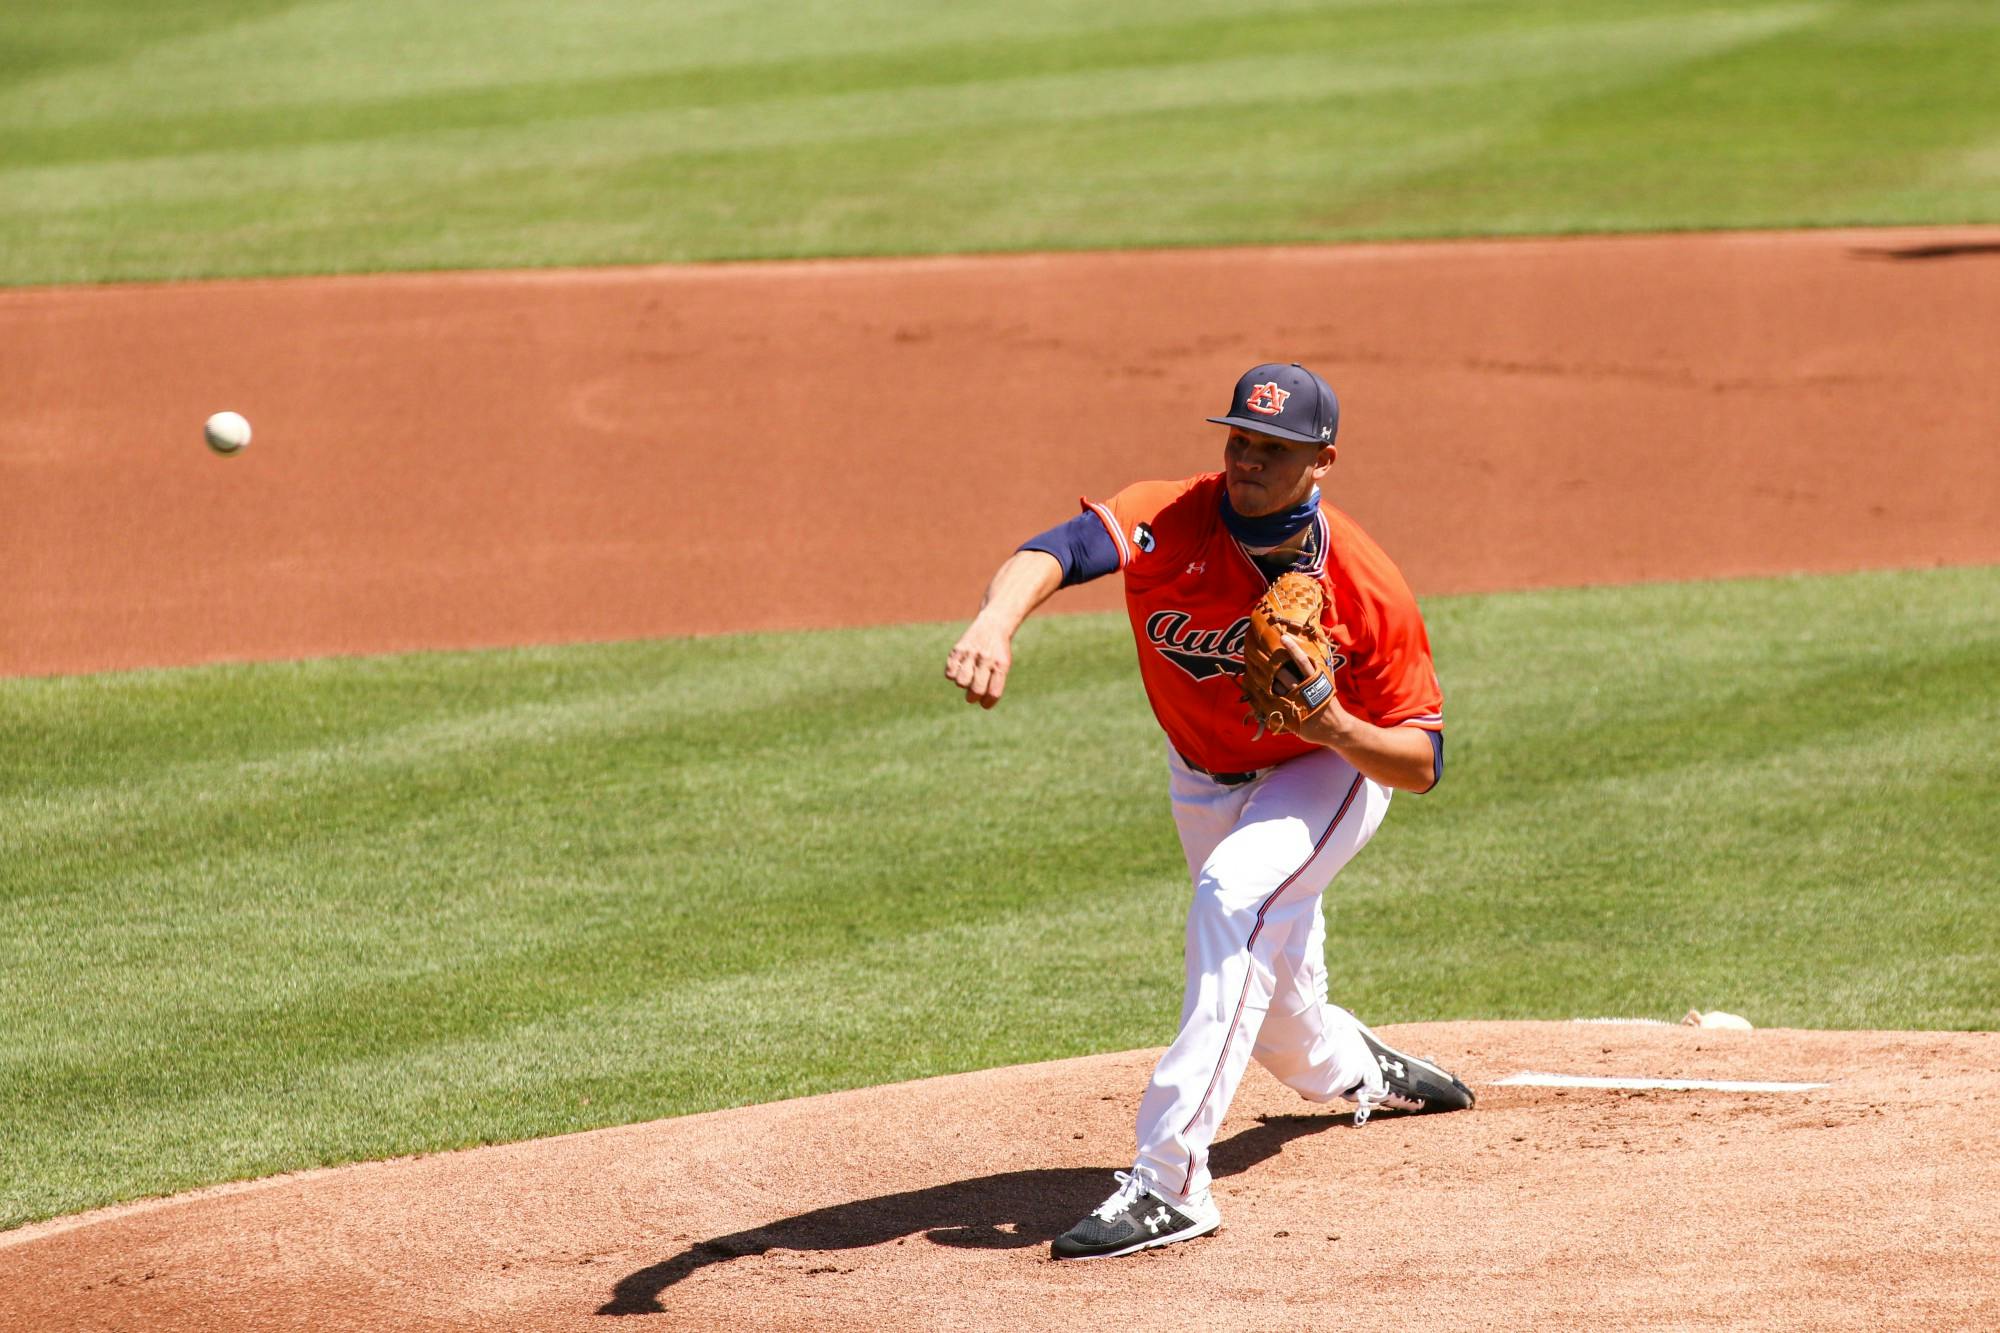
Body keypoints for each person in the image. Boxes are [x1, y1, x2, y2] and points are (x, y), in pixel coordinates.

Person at [944, 362, 1474, 1261]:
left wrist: (1338, 724)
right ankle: (1357, 1069)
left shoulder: (1362, 579)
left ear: (1323, 459)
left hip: (1324, 771)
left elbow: (1424, 760)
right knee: (1277, 1016)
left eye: (1274, 448)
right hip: (1202, 773)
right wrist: (996, 621)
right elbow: (1056, 550)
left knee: (1233, 897)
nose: (1248, 461)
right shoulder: (1171, 515)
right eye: (1239, 439)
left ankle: (1170, 1181)